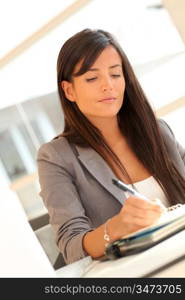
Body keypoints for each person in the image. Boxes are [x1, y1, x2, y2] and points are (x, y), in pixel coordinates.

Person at [37, 28, 185, 265]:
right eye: (92, 78)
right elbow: (71, 247)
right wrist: (116, 227)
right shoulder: (55, 157)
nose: (108, 86)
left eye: (115, 74)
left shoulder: (158, 132)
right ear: (69, 90)